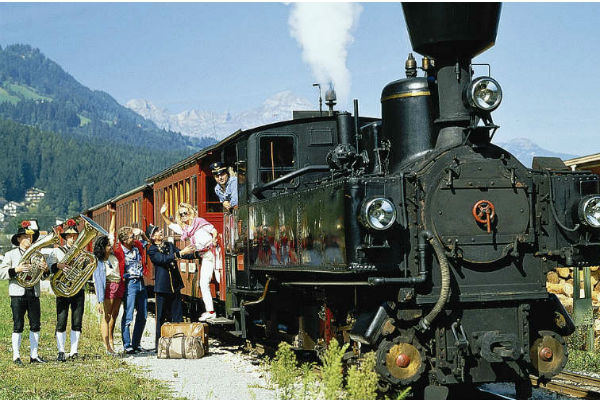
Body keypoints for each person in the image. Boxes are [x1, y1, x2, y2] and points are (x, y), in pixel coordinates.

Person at [160, 202, 220, 321]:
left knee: (220, 279)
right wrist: (163, 214)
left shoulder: (199, 222)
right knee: (203, 283)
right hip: (205, 256)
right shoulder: (185, 229)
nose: (183, 216)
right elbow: (170, 225)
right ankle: (211, 311)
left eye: (185, 213)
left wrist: (213, 239)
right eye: (181, 214)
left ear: (190, 212)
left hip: (214, 253)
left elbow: (213, 231)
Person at [0, 220, 47, 364]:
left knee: (35, 324)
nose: (30, 239)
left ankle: (34, 355)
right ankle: (16, 356)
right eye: (26, 236)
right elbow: (1, 273)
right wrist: (16, 270)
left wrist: (45, 269)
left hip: (33, 292)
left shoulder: (37, 254)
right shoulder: (10, 254)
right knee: (18, 325)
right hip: (17, 293)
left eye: (31, 237)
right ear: (19, 239)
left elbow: (44, 276)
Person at [146, 224, 197, 348]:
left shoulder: (169, 245)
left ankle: (178, 344)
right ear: (153, 237)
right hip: (162, 288)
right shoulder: (152, 249)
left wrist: (198, 254)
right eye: (158, 231)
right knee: (161, 318)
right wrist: (179, 254)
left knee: (178, 315)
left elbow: (183, 254)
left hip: (174, 286)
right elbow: (162, 259)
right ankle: (159, 345)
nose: (161, 231)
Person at [111, 209, 149, 354]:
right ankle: (127, 345)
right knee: (128, 314)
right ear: (124, 240)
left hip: (140, 282)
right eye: (132, 237)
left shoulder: (137, 246)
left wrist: (142, 233)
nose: (134, 238)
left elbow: (147, 241)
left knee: (143, 314)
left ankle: (136, 343)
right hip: (129, 284)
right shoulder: (118, 252)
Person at [49, 218, 87, 361]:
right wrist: (58, 266)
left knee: (77, 321)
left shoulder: (82, 252)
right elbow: (49, 268)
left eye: (74, 236)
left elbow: (86, 270)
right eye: (69, 236)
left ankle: (74, 351)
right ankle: (61, 351)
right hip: (62, 290)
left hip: (78, 289)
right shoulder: (57, 252)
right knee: (61, 320)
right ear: (65, 238)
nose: (72, 238)